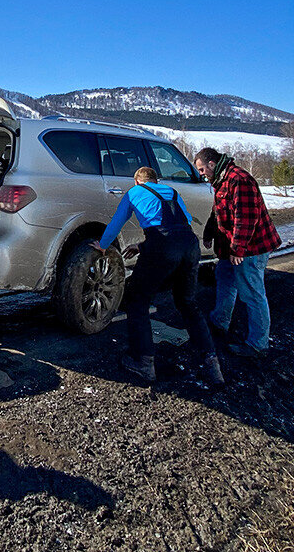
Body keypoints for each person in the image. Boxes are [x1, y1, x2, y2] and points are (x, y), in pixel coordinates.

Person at [92, 167, 222, 385]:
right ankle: (212, 363)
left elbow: (117, 222)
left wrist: (103, 245)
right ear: (156, 180)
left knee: (137, 300)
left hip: (162, 245)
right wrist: (144, 246)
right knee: (188, 302)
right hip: (190, 246)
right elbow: (181, 223)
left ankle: (142, 362)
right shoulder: (170, 191)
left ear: (137, 181)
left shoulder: (134, 192)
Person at [193, 147, 282, 359]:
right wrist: (208, 232)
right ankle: (219, 322)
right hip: (231, 247)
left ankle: (258, 344)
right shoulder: (221, 181)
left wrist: (237, 249)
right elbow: (218, 213)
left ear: (212, 164)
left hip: (250, 249)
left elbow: (246, 219)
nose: (201, 174)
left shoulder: (240, 180)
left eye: (202, 169)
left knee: (252, 292)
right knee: (225, 280)